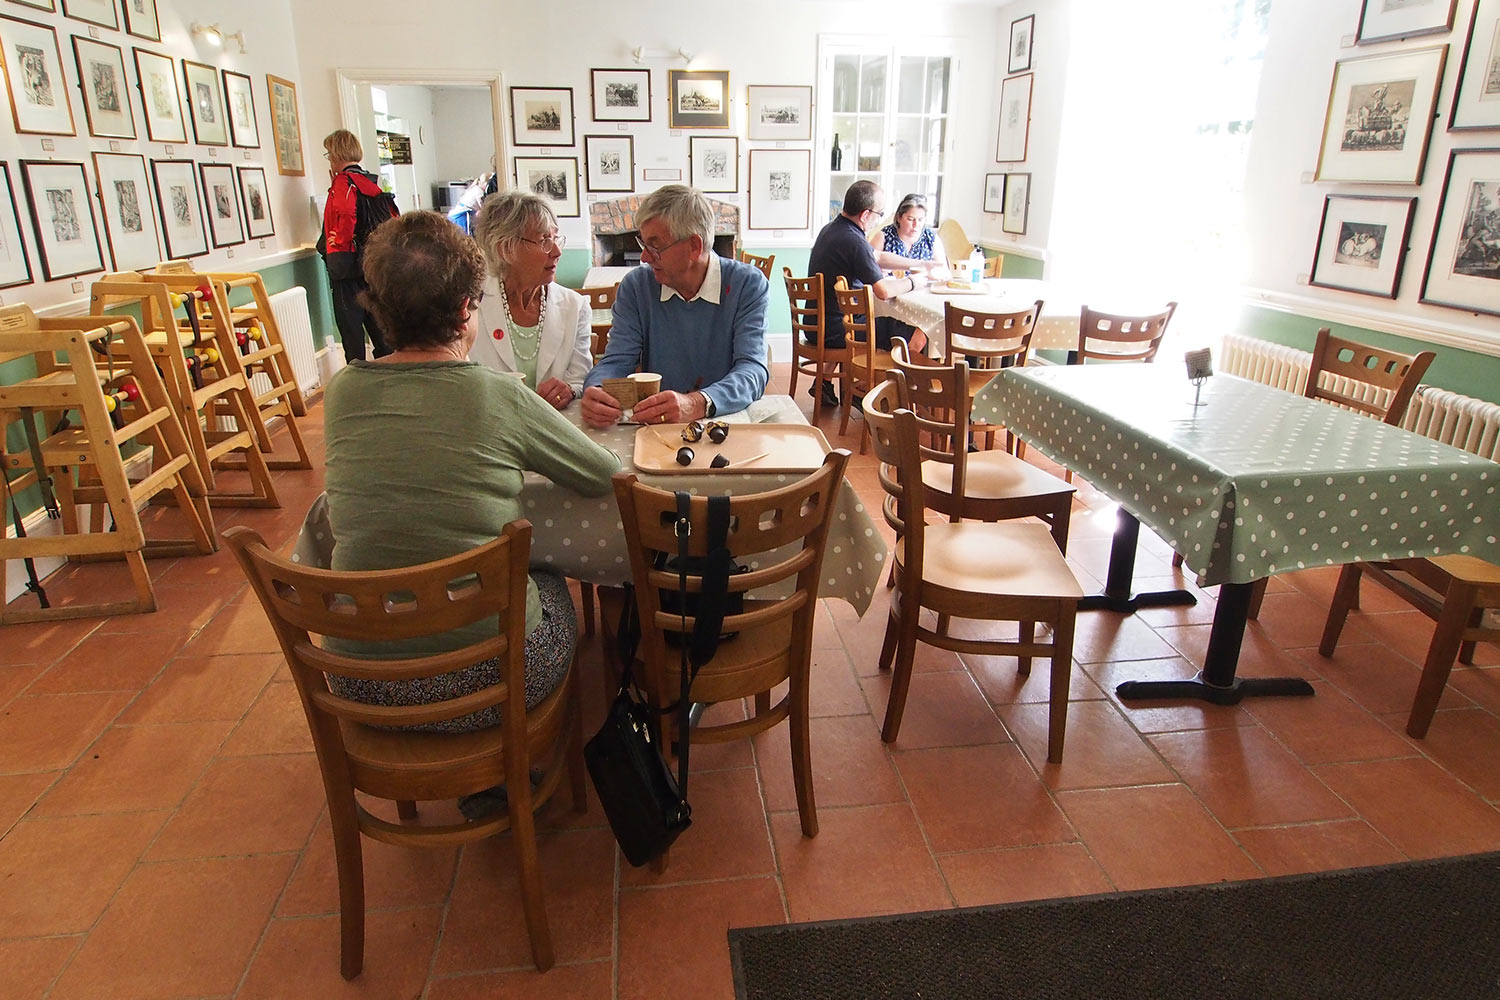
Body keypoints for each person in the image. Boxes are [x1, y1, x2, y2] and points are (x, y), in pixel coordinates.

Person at [321, 210, 621, 746]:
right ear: (466, 308)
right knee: (548, 576)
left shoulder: (342, 391)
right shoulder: (499, 394)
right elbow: (604, 474)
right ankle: (518, 765)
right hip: (491, 678)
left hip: (362, 683)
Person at [581, 184, 769, 428]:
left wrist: (696, 403)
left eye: (655, 246)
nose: (644, 258)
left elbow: (752, 370)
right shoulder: (636, 286)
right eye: (643, 244)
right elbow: (617, 360)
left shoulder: (747, 284)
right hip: (656, 429)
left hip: (724, 424)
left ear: (694, 246)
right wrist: (597, 389)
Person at [806, 181, 927, 405]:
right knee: (913, 332)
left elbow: (876, 257)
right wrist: (914, 281)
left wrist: (921, 264)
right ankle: (894, 397)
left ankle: (831, 383)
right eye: (879, 214)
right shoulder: (854, 241)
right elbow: (882, 290)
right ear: (865, 215)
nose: (879, 220)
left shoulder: (833, 229)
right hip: (836, 330)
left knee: (880, 320)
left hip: (818, 323)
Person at [469, 191, 592, 409]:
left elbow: (580, 380)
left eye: (555, 238)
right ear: (504, 248)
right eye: (544, 240)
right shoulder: (470, 305)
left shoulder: (575, 306)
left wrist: (569, 390)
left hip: (553, 428)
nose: (556, 251)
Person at [320, 129, 391, 361]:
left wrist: (336, 257)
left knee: (352, 336)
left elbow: (344, 217)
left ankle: (357, 385)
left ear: (335, 154)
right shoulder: (370, 183)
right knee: (381, 332)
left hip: (348, 268)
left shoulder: (343, 183)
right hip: (373, 266)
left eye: (329, 154)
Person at [868, 193, 950, 278]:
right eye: (910, 219)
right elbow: (868, 267)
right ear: (899, 217)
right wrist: (879, 272)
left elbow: (944, 271)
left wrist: (932, 273)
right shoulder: (883, 236)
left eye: (920, 220)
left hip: (923, 289)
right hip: (893, 289)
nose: (916, 224)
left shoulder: (931, 238)